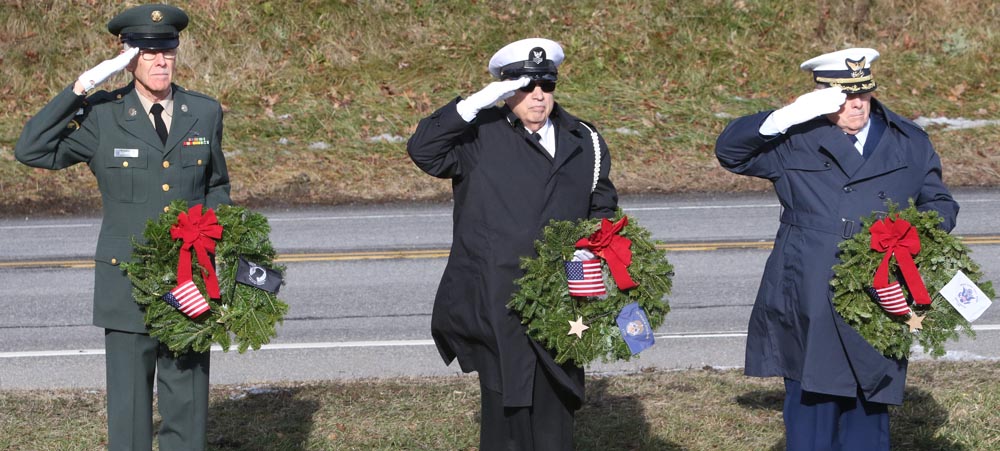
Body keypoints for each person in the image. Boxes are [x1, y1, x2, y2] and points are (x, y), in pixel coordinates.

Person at [715, 48, 958, 450]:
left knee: (869, 400)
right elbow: (730, 152)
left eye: (862, 92)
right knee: (812, 401)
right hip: (810, 283)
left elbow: (939, 202)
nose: (856, 104)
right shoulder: (794, 138)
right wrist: (783, 117)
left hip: (879, 289)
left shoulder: (908, 140)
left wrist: (915, 235)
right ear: (821, 95)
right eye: (843, 96)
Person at [14, 4, 230, 450]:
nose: (159, 61)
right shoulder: (103, 116)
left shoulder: (203, 113)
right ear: (127, 58)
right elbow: (30, 149)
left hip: (188, 284)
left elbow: (216, 186)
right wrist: (81, 86)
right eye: (146, 53)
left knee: (187, 411)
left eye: (166, 51)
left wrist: (218, 252)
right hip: (126, 285)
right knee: (129, 420)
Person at [407, 38, 618, 450]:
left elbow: (602, 203)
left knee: (558, 402)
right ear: (505, 91)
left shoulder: (584, 139)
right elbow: (423, 151)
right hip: (495, 295)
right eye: (523, 87)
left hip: (562, 295)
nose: (537, 96)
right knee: (507, 407)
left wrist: (588, 248)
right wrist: (473, 104)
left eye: (546, 86)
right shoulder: (477, 137)